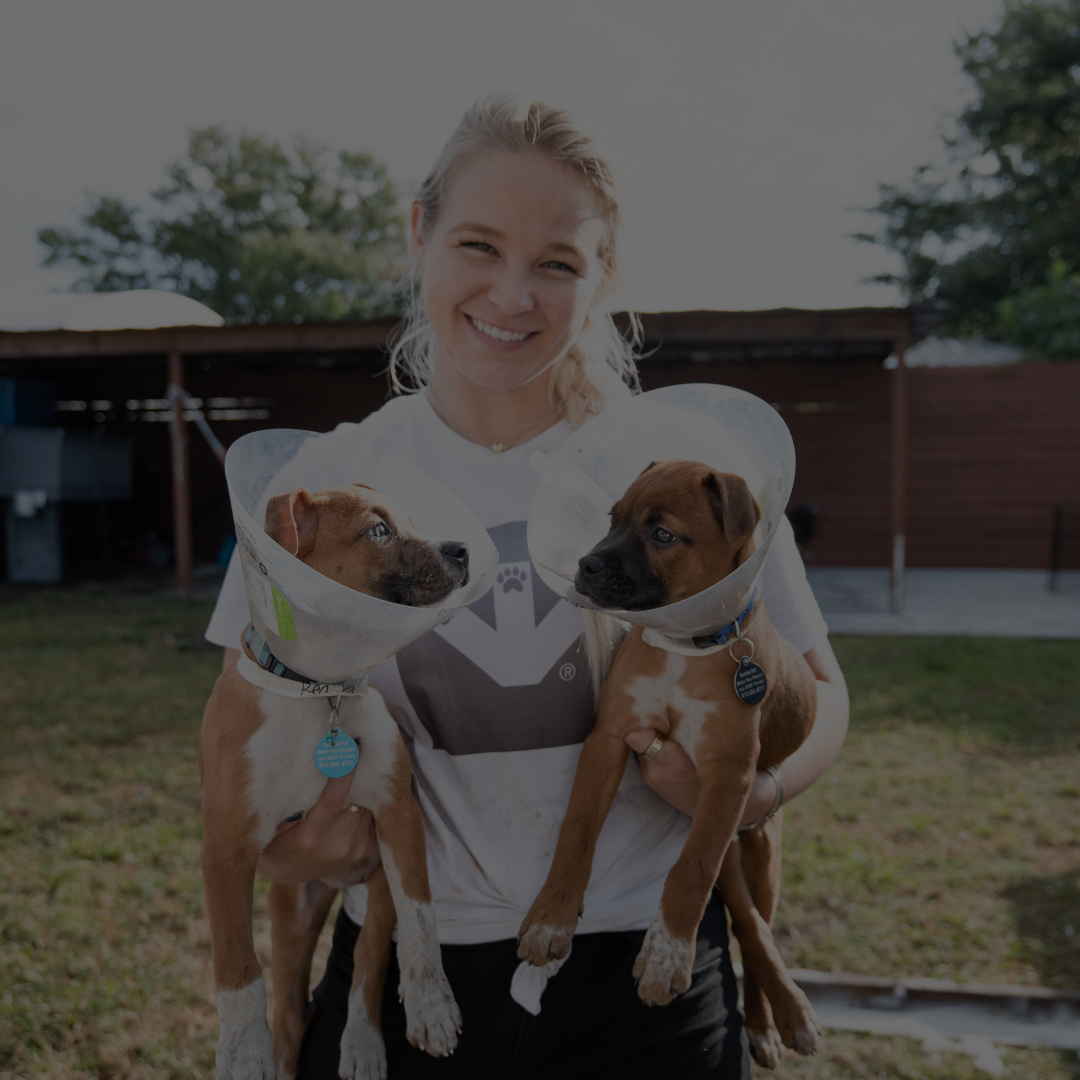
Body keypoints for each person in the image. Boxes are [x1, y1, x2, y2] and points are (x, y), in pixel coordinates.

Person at [205, 97, 849, 1080]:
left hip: (648, 981)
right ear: (418, 235)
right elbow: (246, 746)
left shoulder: (683, 470)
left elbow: (823, 688)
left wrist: (757, 792)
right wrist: (299, 854)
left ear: (603, 278)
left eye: (558, 261)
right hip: (411, 970)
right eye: (478, 245)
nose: (513, 295)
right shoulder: (327, 490)